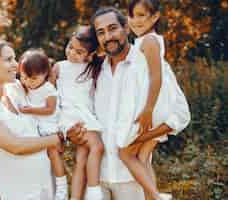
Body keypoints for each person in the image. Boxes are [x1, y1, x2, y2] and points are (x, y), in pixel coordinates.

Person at [67, 6, 190, 200]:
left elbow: (180, 114)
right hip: (96, 181)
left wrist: (144, 137)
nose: (108, 37)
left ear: (126, 28)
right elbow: (76, 110)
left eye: (113, 28)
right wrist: (73, 133)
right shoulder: (91, 71)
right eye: (101, 32)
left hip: (133, 181)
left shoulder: (146, 63)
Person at [0, 38, 64, 200]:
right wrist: (58, 138)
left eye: (15, 58)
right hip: (22, 193)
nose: (16, 65)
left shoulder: (16, 89)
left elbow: (48, 98)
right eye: (9, 60)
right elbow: (16, 146)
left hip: (48, 187)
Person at [114, 0, 191, 199]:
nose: (135, 20)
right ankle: (152, 197)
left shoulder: (149, 41)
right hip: (154, 105)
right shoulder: (142, 42)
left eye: (141, 15)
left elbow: (156, 76)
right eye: (132, 16)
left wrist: (148, 109)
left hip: (153, 107)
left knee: (124, 152)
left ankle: (156, 197)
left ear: (155, 17)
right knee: (142, 157)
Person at [4, 49, 68, 200]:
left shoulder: (48, 90)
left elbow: (49, 110)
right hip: (36, 127)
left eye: (32, 79)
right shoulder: (24, 86)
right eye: (24, 77)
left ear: (45, 74)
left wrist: (30, 110)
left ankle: (62, 187)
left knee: (53, 155)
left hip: (49, 126)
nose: (27, 82)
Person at [51, 25, 105, 200]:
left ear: (90, 56)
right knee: (97, 146)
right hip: (70, 115)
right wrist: (54, 125)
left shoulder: (92, 68)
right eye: (70, 47)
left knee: (82, 158)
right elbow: (49, 95)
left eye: (79, 51)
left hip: (85, 115)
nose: (72, 53)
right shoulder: (59, 67)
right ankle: (94, 192)